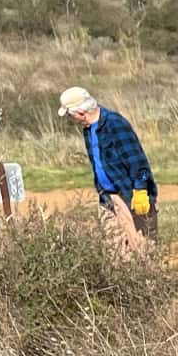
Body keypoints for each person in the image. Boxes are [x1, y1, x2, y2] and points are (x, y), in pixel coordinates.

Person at [61, 84, 154, 249]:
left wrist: (140, 190)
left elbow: (139, 163)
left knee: (142, 250)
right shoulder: (88, 129)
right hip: (107, 198)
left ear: (80, 113)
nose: (69, 120)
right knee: (114, 253)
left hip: (129, 195)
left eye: (70, 115)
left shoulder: (115, 124)